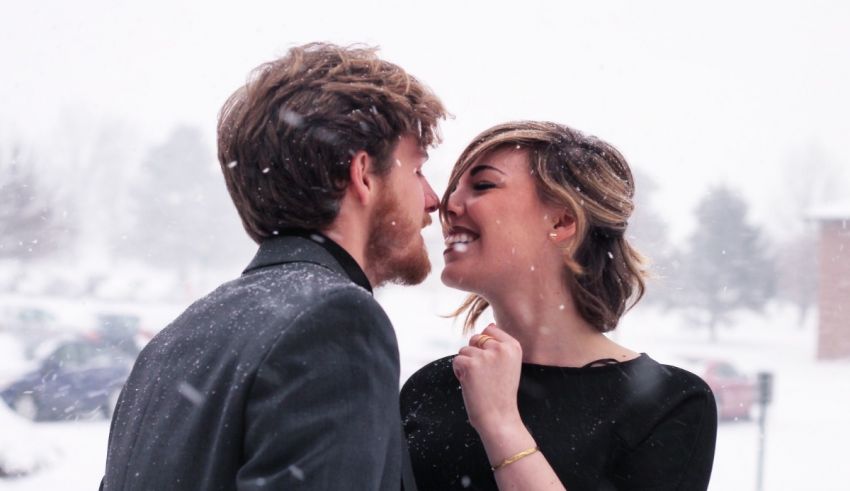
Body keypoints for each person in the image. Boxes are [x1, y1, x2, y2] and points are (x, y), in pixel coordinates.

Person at [101, 42, 447, 490]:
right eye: (417, 170)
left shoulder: (173, 340)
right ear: (363, 174)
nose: (433, 199)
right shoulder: (336, 322)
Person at [401, 121, 717, 490]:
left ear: (563, 219)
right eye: (454, 187)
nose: (448, 205)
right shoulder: (432, 386)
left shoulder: (669, 405)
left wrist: (500, 422)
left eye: (483, 185)